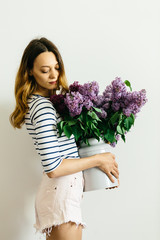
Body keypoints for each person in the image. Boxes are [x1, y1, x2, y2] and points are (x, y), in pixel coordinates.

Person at [10, 37, 119, 240]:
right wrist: (99, 160)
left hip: (63, 193)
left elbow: (67, 153)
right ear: (30, 72)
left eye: (56, 67)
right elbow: (54, 167)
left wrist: (101, 170)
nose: (54, 75)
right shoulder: (42, 107)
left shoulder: (46, 103)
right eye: (45, 70)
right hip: (60, 193)